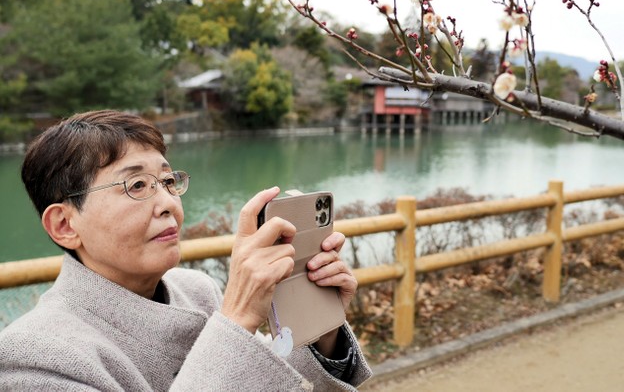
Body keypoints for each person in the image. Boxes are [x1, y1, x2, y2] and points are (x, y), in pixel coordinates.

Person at [0, 110, 372, 391]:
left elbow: (272, 379)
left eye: (167, 181)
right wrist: (238, 317)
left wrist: (319, 327)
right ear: (65, 225)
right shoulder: (32, 356)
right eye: (137, 185)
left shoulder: (196, 291)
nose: (168, 203)